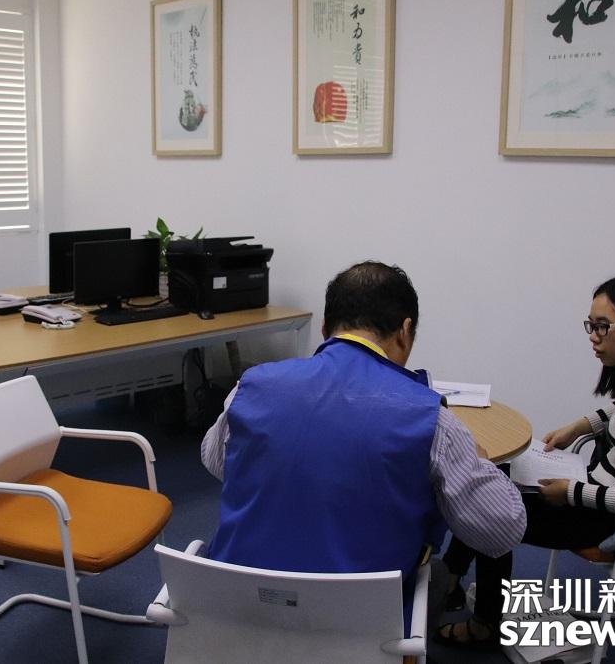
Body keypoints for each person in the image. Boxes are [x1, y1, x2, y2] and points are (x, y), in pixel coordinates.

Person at [201, 261, 526, 631]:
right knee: (435, 576)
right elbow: (503, 531)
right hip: (359, 633)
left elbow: (215, 460)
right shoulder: (432, 420)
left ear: (325, 328)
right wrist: (480, 464)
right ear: (405, 331)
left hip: (237, 617)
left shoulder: (250, 387)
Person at [438, 274, 615, 648]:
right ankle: (450, 578)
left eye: (603, 327)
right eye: (590, 326)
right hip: (598, 485)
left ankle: (484, 622)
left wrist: (571, 492)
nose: (593, 337)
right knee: (491, 478)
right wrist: (579, 426)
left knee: (493, 509)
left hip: (613, 516)